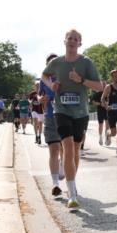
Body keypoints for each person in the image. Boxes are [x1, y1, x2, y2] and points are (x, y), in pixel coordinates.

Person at [42, 29, 103, 210]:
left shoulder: (86, 62)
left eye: (76, 39)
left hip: (81, 112)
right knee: (67, 146)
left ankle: (71, 181)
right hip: (61, 110)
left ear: (79, 44)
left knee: (75, 149)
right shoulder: (57, 62)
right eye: (70, 38)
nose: (72, 41)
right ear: (64, 41)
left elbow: (100, 86)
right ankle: (72, 193)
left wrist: (81, 80)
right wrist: (51, 84)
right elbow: (44, 75)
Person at [38, 55, 65, 197]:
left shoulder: (64, 77)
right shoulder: (44, 80)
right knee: (54, 150)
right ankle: (55, 184)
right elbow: (39, 96)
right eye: (50, 64)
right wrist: (41, 99)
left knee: (65, 150)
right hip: (49, 117)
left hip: (65, 117)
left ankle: (63, 166)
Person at [101, 69, 117, 156]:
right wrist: (106, 106)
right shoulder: (108, 87)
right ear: (112, 77)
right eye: (115, 76)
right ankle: (108, 134)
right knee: (113, 133)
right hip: (111, 113)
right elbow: (102, 98)